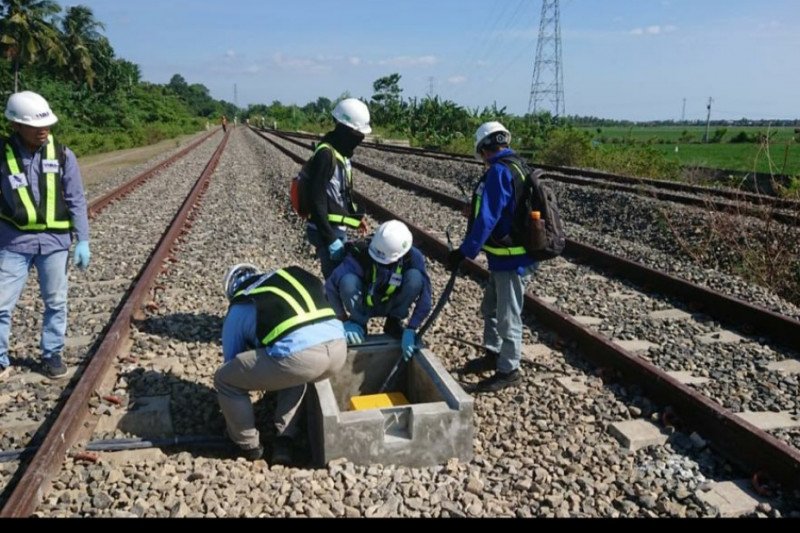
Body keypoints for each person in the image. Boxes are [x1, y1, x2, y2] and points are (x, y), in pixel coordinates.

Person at [214, 264, 347, 464]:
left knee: (226, 380)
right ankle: (284, 440)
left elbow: (231, 363)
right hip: (339, 349)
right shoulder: (280, 283)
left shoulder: (240, 306)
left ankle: (248, 446)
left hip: (302, 360)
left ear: (231, 291)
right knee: (291, 365)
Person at [0, 91, 90, 381]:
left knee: (55, 301)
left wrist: (83, 239)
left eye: (47, 125)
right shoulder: (2, 155)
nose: (43, 130)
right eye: (35, 126)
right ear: (15, 125)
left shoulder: (63, 154)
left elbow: (76, 198)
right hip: (13, 243)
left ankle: (52, 353)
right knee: (0, 304)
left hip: (54, 244)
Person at [447, 121, 537, 393]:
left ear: (485, 147)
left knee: (508, 316)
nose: (483, 159)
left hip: (512, 260)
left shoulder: (499, 171)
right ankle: (493, 353)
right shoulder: (517, 165)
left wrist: (465, 252)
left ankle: (509, 369)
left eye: (481, 153)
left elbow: (488, 217)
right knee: (491, 309)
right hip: (505, 258)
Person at [325, 220, 431, 361]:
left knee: (416, 278)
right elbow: (330, 285)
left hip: (392, 302)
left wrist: (412, 327)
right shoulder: (361, 253)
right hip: (365, 302)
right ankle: (358, 323)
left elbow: (426, 296)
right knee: (347, 281)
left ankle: (394, 321)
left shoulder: (413, 257)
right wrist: (342, 320)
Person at [303, 98, 371, 278]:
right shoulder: (326, 154)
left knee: (340, 278)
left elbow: (340, 194)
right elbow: (315, 198)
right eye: (358, 134)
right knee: (336, 281)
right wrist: (330, 239)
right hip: (325, 230)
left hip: (336, 228)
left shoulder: (341, 152)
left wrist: (356, 218)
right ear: (345, 130)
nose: (360, 139)